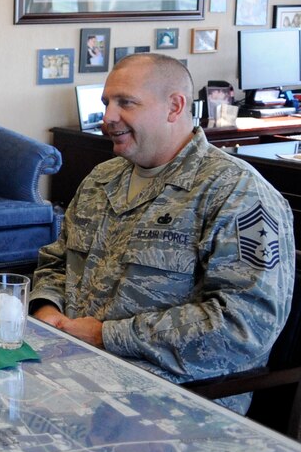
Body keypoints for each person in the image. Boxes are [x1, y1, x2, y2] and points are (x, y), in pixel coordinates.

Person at [29, 53, 294, 414]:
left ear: (174, 106)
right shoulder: (101, 179)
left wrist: (104, 336)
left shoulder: (237, 193)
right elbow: (57, 261)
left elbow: (243, 328)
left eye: (126, 103)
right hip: (68, 368)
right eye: (107, 103)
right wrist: (47, 308)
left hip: (175, 398)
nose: (108, 118)